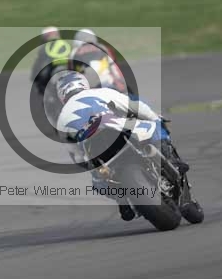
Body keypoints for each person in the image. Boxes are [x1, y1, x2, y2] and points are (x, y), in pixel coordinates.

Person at [55, 71, 188, 221]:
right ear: (83, 84)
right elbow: (135, 106)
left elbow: (76, 156)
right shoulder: (100, 92)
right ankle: (171, 160)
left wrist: (89, 166)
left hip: (97, 152)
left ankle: (122, 201)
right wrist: (155, 118)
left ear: (62, 96)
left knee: (98, 181)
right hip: (118, 130)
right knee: (154, 126)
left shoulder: (61, 120)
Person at [30, 27, 73, 95]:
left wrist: (33, 77)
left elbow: (38, 64)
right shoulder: (67, 44)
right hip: (68, 69)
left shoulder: (44, 47)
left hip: (53, 71)